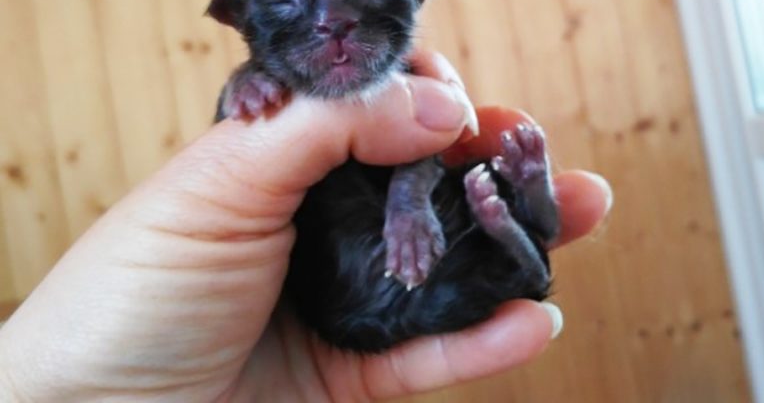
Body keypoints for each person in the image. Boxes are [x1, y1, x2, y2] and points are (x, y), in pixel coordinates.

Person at [0, 50, 612, 401]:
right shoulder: (289, 95)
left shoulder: (368, 82)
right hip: (357, 298)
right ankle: (515, 217)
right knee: (517, 250)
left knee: (505, 222)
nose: (339, 37)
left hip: (371, 287)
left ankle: (516, 213)